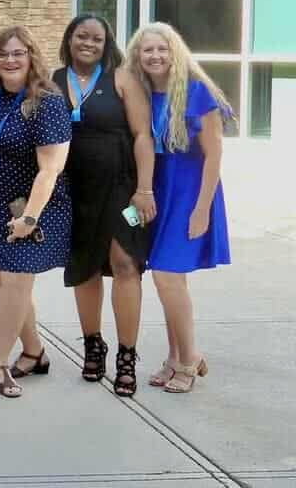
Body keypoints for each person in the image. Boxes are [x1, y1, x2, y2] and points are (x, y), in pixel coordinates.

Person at [54, 14, 156, 396]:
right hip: (73, 191)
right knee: (85, 268)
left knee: (126, 262)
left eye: (97, 38)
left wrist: (144, 190)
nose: (89, 43)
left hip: (122, 189)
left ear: (107, 43)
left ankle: (127, 356)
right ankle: (93, 344)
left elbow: (143, 136)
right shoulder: (54, 80)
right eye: (82, 36)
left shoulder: (122, 78)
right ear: (70, 39)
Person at [127, 22, 231, 393]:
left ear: (175, 52)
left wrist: (202, 209)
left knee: (167, 276)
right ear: (137, 56)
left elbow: (215, 154)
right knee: (167, 279)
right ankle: (175, 357)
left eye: (162, 49)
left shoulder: (197, 92)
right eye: (147, 50)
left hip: (189, 193)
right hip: (154, 192)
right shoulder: (139, 93)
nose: (155, 56)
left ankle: (189, 359)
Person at [0, 25, 71, 399]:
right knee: (2, 280)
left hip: (33, 206)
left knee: (15, 281)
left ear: (31, 57)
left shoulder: (47, 102)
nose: (10, 60)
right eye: (3, 54)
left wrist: (29, 218)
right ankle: (35, 352)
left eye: (18, 53)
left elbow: (51, 168)